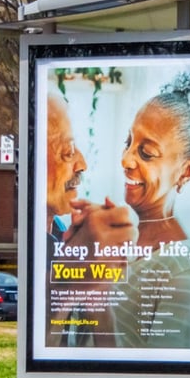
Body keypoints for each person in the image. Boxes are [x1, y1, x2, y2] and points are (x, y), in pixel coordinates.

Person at [44, 92, 136, 346]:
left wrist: (97, 289)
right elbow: (40, 351)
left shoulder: (60, 235)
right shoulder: (36, 248)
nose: (81, 164)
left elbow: (107, 357)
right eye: (67, 150)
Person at [112, 89, 190, 349]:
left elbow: (167, 367)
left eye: (146, 153)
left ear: (186, 171)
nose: (125, 160)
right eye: (127, 142)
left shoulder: (181, 270)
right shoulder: (122, 245)